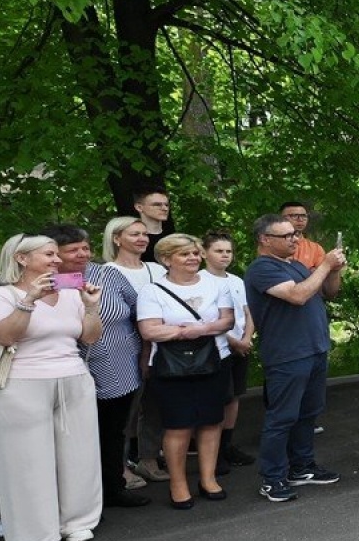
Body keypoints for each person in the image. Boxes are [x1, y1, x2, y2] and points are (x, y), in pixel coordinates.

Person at [0, 234, 105, 541]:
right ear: (22, 259)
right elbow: (5, 337)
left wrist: (90, 308)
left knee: (80, 453)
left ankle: (77, 522)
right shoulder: (4, 295)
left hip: (73, 377)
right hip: (23, 381)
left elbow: (90, 338)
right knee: (27, 459)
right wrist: (28, 300)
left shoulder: (71, 293)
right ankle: (36, 533)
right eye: (49, 255)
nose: (58, 260)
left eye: (57, 255)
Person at [40, 223, 148, 509]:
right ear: (52, 254)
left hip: (120, 367)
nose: (81, 254)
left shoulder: (107, 274)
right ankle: (77, 499)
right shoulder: (42, 284)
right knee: (74, 436)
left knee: (113, 431)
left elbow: (139, 311)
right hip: (70, 370)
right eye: (72, 250)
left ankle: (114, 488)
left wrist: (145, 353)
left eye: (85, 248)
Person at [244, 213, 345, 502]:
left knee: (308, 413)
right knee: (282, 417)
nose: (295, 239)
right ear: (265, 239)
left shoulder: (298, 265)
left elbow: (329, 291)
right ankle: (272, 477)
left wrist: (334, 270)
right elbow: (298, 296)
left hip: (314, 349)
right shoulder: (262, 268)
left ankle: (301, 467)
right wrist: (325, 264)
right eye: (286, 236)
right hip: (288, 354)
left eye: (295, 234)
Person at [137, 234, 236, 508]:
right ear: (166, 259)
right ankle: (178, 483)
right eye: (184, 254)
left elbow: (227, 320)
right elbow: (150, 330)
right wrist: (196, 329)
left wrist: (197, 329)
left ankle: (208, 478)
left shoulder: (215, 284)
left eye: (195, 253)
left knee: (211, 421)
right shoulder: (152, 291)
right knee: (178, 426)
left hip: (215, 361)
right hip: (171, 368)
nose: (193, 258)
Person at [103, 215, 168, 482]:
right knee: (126, 411)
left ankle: (148, 459)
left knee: (156, 405)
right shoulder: (106, 272)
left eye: (144, 234)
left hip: (159, 347)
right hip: (126, 349)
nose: (142, 239)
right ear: (116, 239)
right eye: (134, 234)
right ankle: (120, 468)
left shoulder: (156, 269)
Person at [201, 232, 256, 473]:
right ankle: (212, 453)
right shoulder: (200, 281)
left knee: (234, 396)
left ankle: (227, 445)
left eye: (228, 251)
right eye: (218, 251)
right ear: (204, 253)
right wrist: (234, 341)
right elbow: (208, 319)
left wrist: (247, 337)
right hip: (218, 348)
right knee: (217, 399)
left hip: (241, 345)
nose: (225, 255)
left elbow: (246, 312)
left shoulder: (236, 280)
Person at [280, 202, 326, 268]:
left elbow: (323, 275)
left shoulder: (315, 249)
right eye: (294, 216)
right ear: (282, 218)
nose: (300, 220)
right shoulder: (274, 243)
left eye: (304, 216)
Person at [133, 186, 174, 255]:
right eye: (157, 205)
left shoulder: (173, 239)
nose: (165, 208)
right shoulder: (131, 240)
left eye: (166, 205)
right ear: (139, 207)